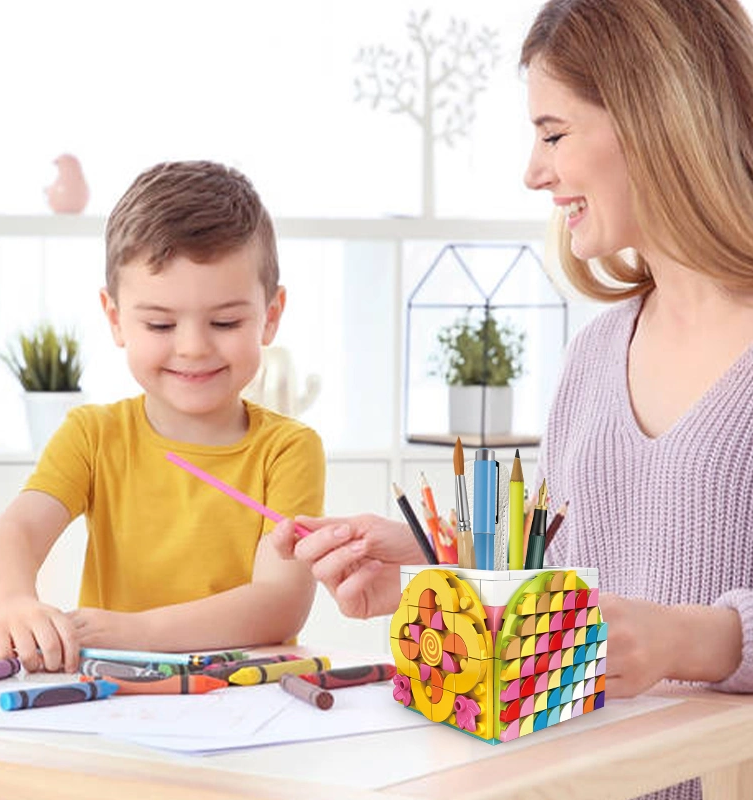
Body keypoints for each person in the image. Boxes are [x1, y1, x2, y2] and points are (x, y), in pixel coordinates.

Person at [274, 0, 753, 722]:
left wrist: (695, 639)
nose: (534, 172)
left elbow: (647, 626)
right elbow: (577, 593)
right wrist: (430, 572)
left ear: (657, 119)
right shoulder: (595, 356)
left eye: (554, 134)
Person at [0, 161, 325, 673]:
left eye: (226, 321)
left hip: (245, 699)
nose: (192, 348)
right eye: (160, 323)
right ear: (116, 318)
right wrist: (12, 603)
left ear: (270, 316)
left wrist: (140, 632)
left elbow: (280, 601)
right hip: (113, 695)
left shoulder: (289, 449)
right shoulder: (92, 435)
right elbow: (16, 533)